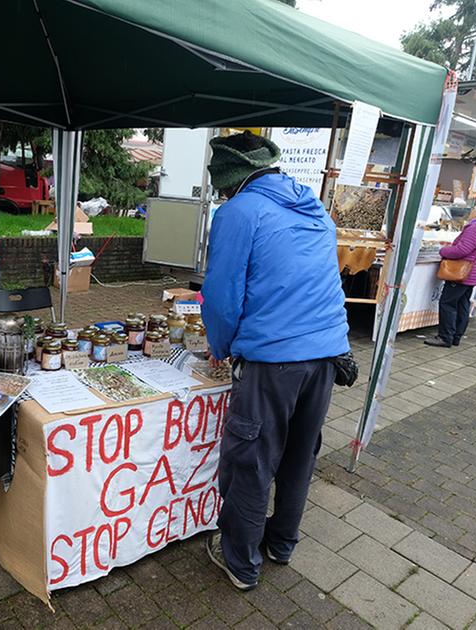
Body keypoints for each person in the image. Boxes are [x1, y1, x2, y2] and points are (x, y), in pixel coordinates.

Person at [200, 132, 349, 590]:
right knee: (299, 455)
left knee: (251, 462)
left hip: (273, 361)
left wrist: (221, 347)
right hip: (326, 354)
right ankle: (281, 543)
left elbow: (223, 299)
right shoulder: (314, 207)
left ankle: (241, 564)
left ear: (231, 181)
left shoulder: (239, 212)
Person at [425, 200, 476, 348]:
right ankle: (456, 336)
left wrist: (443, 250)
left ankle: (445, 336)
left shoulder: (475, 228)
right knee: (462, 304)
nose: (471, 211)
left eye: (474, 209)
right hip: (474, 273)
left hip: (462, 272)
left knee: (448, 303)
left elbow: (461, 250)